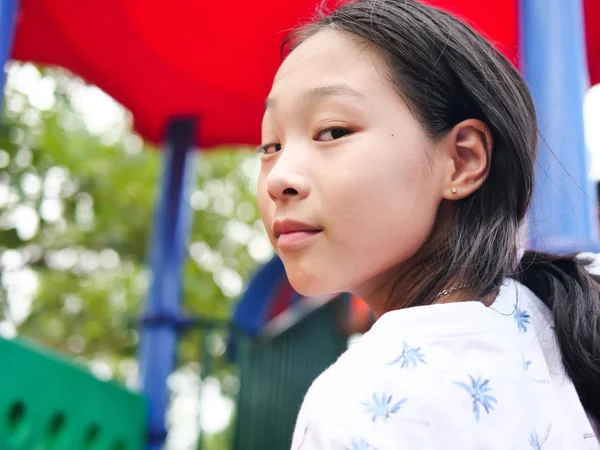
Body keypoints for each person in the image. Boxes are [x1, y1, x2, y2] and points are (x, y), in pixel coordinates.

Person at [255, 0, 600, 448]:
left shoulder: (360, 402)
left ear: (462, 160)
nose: (279, 177)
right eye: (270, 145)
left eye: (333, 131)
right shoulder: (559, 322)